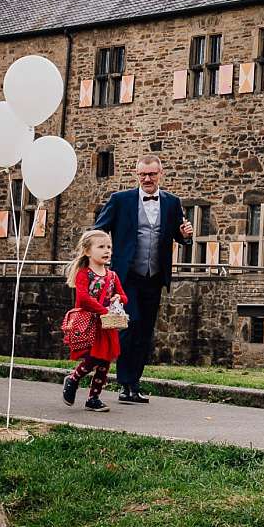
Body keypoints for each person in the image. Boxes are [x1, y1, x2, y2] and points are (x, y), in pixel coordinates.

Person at [95, 154, 193, 404]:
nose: (147, 179)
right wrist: (101, 257)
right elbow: (98, 229)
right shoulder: (120, 200)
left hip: (155, 276)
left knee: (146, 332)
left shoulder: (172, 202)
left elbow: (179, 236)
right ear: (136, 175)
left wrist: (185, 236)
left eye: (152, 174)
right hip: (127, 276)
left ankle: (134, 384)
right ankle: (125, 384)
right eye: (143, 175)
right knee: (131, 325)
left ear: (160, 173)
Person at [60, 228, 129, 413]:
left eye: (109, 247)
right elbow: (82, 298)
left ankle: (94, 398)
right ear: (88, 251)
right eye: (101, 247)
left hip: (107, 324)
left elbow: (124, 296)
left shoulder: (112, 276)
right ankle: (74, 378)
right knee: (93, 357)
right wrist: (103, 310)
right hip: (90, 322)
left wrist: (118, 299)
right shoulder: (84, 273)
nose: (107, 250)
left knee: (105, 360)